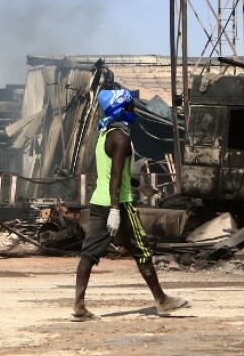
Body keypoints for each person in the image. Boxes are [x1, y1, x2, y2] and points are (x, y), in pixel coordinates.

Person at [71, 87, 189, 321]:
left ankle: (78, 305)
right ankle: (162, 300)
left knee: (89, 253)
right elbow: (115, 176)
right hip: (120, 204)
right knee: (141, 250)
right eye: (130, 105)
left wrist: (138, 184)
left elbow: (114, 174)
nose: (134, 108)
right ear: (122, 109)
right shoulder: (122, 137)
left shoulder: (104, 135)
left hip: (98, 202)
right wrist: (116, 209)